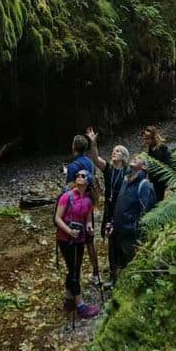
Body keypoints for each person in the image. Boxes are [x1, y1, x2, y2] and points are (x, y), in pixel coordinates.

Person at [86, 127, 129, 283]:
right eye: (113, 151)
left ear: (124, 156)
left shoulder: (127, 172)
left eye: (117, 151)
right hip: (109, 211)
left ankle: (123, 272)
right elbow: (96, 159)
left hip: (122, 211)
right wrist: (93, 142)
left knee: (120, 243)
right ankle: (112, 276)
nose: (114, 152)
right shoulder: (108, 169)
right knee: (111, 243)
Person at [54, 169, 100, 319]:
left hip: (79, 239)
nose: (79, 177)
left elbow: (87, 219)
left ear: (88, 181)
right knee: (74, 271)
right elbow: (57, 219)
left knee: (74, 269)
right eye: (78, 175)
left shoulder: (88, 200)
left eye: (83, 176)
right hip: (65, 239)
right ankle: (80, 306)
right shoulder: (66, 197)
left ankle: (69, 299)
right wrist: (69, 231)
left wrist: (89, 227)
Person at [111, 154, 156, 282]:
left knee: (132, 265)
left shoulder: (144, 185)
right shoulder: (126, 179)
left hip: (131, 233)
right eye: (135, 157)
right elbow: (120, 204)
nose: (135, 157)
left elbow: (147, 212)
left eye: (139, 158)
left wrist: (134, 228)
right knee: (121, 263)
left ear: (144, 167)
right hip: (119, 230)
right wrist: (113, 223)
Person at [65, 135, 100, 283]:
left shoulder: (73, 166)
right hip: (89, 204)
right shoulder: (90, 163)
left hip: (77, 208)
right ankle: (96, 273)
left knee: (74, 241)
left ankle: (74, 276)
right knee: (90, 241)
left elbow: (70, 189)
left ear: (73, 147)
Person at [141, 125, 174, 201]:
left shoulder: (160, 149)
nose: (145, 141)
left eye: (147, 139)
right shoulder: (151, 147)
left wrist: (147, 169)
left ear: (153, 138)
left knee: (157, 200)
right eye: (144, 139)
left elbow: (162, 167)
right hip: (154, 180)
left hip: (160, 181)